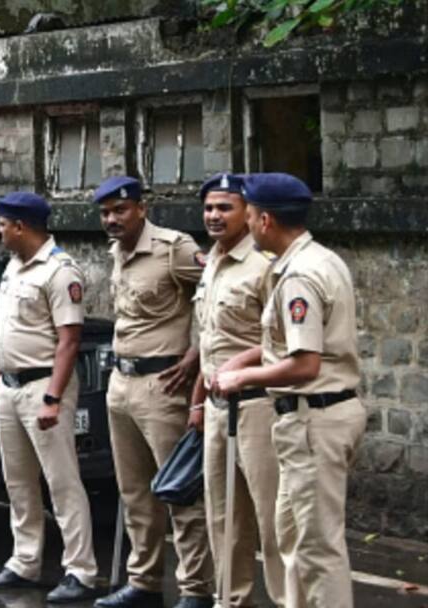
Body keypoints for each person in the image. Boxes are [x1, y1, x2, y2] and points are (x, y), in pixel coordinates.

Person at [212, 173, 365, 608]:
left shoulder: (299, 276)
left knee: (317, 550)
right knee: (293, 539)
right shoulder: (318, 259)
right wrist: (245, 359)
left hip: (314, 418)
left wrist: (243, 379)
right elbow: (291, 342)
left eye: (251, 213)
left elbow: (306, 363)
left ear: (265, 220)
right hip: (311, 417)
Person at [92, 176, 214, 608]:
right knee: (134, 492)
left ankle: (195, 589)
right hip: (121, 383)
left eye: (120, 210)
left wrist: (197, 353)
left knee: (178, 490)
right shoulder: (117, 252)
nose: (112, 220)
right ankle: (143, 582)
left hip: (164, 385)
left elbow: (214, 291)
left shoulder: (172, 248)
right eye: (105, 213)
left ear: (141, 208)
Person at [0, 191, 101, 602]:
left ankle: (80, 570)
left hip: (44, 386)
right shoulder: (14, 266)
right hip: (11, 387)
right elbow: (6, 330)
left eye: (3, 224)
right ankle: (25, 561)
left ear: (21, 226)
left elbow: (69, 341)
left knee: (62, 481)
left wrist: (53, 396)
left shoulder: (60, 271)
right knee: (18, 482)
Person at [190, 174, 284, 607]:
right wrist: (196, 401)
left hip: (260, 406)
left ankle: (289, 600)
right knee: (223, 516)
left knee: (272, 518)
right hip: (215, 407)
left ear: (249, 212)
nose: (214, 216)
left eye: (225, 207)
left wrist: (240, 367)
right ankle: (232, 601)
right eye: (209, 207)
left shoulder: (265, 265)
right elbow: (207, 341)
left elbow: (284, 343)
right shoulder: (211, 260)